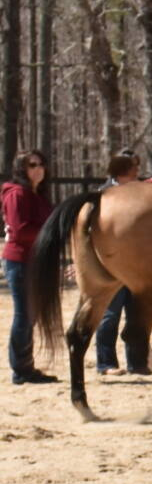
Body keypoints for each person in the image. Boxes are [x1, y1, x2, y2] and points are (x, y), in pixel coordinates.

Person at [5, 150, 54, 385]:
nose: (38, 169)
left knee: (31, 315)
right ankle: (20, 369)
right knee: (24, 315)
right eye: (32, 165)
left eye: (41, 164)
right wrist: (50, 233)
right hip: (20, 260)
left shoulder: (39, 196)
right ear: (21, 170)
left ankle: (26, 365)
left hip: (36, 261)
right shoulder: (17, 195)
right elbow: (20, 230)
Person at [94, 152, 139, 375]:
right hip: (111, 264)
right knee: (110, 315)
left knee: (136, 314)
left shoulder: (142, 194)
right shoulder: (104, 195)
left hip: (137, 265)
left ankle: (136, 362)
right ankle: (106, 363)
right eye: (133, 167)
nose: (137, 172)